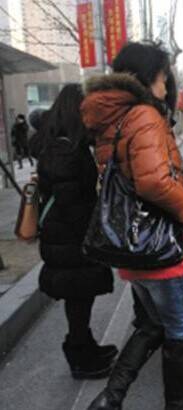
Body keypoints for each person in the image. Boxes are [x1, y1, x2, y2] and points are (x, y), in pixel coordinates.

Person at [82, 42, 183, 410]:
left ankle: (111, 398)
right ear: (147, 76)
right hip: (159, 246)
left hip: (134, 243)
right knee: (181, 329)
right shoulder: (143, 115)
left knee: (153, 325)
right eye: (163, 75)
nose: (167, 83)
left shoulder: (113, 117)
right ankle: (177, 405)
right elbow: (155, 182)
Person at [30, 84, 117, 379]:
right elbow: (70, 201)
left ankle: (86, 345)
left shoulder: (62, 144)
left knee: (81, 297)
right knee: (78, 297)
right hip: (71, 236)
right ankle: (80, 357)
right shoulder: (65, 149)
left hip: (66, 234)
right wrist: (93, 234)